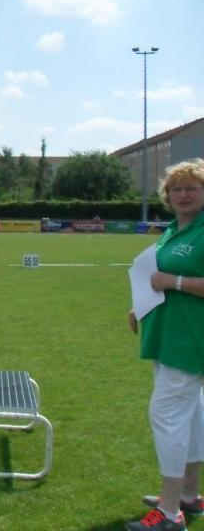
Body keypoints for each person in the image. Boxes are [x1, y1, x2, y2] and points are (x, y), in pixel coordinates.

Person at [127, 159, 204, 531]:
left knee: (168, 415)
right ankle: (188, 494)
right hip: (170, 335)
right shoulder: (175, 229)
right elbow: (154, 277)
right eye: (176, 189)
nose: (183, 195)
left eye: (191, 188)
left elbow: (169, 279)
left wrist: (174, 282)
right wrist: (140, 306)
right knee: (191, 414)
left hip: (189, 340)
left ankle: (170, 513)